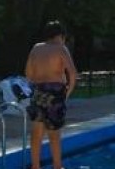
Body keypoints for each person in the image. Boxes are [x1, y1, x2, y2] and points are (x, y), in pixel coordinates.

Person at [24, 20, 78, 169]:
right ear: (61, 35)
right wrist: (67, 92)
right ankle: (57, 166)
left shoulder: (36, 48)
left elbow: (28, 73)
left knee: (37, 133)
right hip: (56, 93)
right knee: (54, 134)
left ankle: (35, 166)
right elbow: (73, 74)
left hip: (38, 92)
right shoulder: (61, 49)